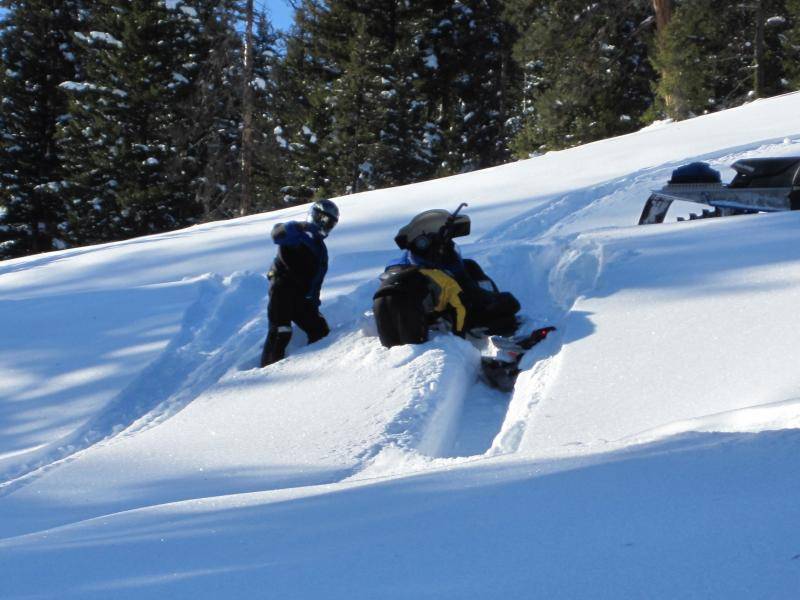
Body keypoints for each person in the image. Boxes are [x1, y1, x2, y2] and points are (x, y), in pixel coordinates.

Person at [373, 206, 521, 348]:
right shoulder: (402, 266)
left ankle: (498, 334)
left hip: (450, 318)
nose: (446, 247)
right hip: (421, 324)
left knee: (473, 270)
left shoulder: (463, 265)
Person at [260, 199, 339, 367]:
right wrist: (297, 226)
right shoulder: (298, 235)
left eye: (330, 223)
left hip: (302, 298)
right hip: (282, 290)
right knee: (281, 332)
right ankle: (265, 372)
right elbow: (277, 234)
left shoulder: (320, 247)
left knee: (321, 330)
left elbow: (317, 280)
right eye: (324, 219)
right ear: (315, 216)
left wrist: (314, 302)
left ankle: (314, 364)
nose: (326, 225)